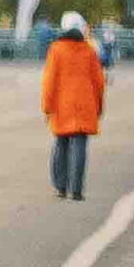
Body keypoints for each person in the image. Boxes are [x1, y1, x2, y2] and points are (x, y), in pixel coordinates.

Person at [42, 10, 105, 201]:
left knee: (61, 144)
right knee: (79, 147)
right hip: (85, 104)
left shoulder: (56, 50)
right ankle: (76, 190)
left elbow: (49, 80)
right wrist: (99, 106)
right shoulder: (89, 51)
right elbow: (99, 82)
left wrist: (47, 106)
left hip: (62, 105)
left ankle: (61, 187)